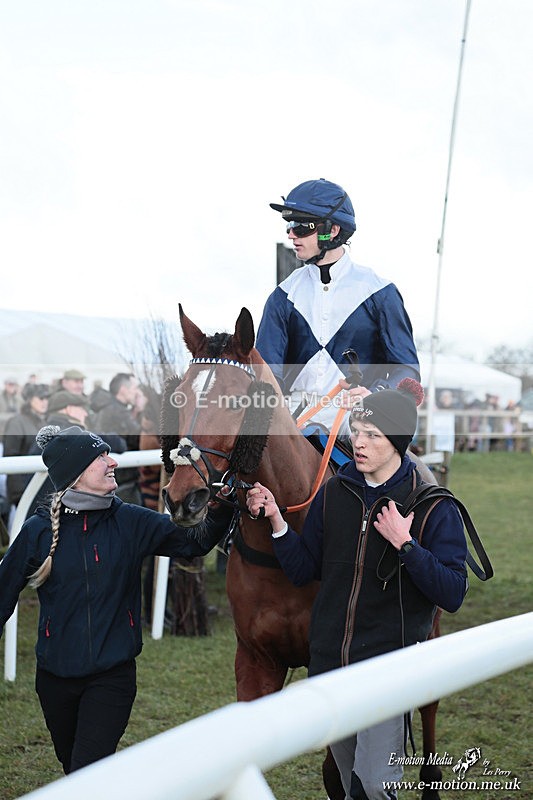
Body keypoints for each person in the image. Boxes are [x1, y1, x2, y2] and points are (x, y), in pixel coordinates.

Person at [245, 382, 468, 800]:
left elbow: (453, 593)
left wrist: (406, 545)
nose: (357, 442)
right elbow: (304, 570)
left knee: (374, 790)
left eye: (372, 435)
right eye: (356, 431)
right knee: (350, 787)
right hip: (330, 670)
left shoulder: (434, 505)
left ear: (399, 441)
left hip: (388, 674)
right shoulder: (333, 495)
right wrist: (277, 520)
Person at [0, 424, 226, 775]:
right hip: (53, 680)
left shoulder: (131, 521)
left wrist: (224, 504)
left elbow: (194, 543)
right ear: (75, 473)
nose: (113, 462)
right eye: (100, 456)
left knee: (86, 772)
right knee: (73, 770)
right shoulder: (39, 529)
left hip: (111, 678)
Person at [256, 178, 420, 432]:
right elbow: (266, 372)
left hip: (360, 420)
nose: (291, 234)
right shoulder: (282, 296)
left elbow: (408, 372)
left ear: (331, 231)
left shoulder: (381, 292)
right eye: (289, 225)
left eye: (301, 226)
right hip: (293, 424)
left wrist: (376, 394)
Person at [93, 373, 144, 504]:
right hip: (123, 482)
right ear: (123, 390)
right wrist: (143, 411)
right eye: (134, 388)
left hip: (114, 479)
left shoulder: (108, 409)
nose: (137, 393)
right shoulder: (118, 412)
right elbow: (138, 440)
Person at [2, 384, 50, 510]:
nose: (44, 402)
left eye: (46, 398)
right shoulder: (17, 422)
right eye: (40, 398)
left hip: (40, 488)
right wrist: (19, 493)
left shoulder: (44, 423)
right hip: (22, 490)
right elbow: (10, 456)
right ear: (29, 400)